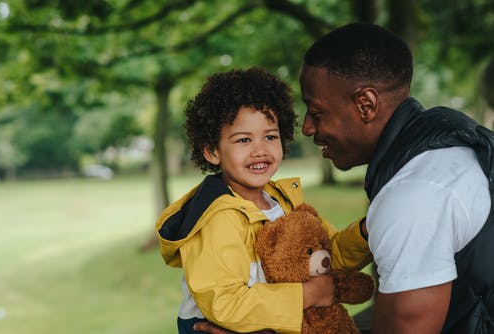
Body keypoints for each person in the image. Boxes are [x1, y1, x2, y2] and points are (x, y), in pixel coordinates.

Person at [299, 23, 494, 333]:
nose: (307, 128)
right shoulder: (449, 142)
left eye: (316, 111)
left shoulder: (412, 196)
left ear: (366, 105)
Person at [156, 67, 372, 334]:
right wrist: (306, 295)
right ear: (212, 151)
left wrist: (365, 232)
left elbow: (325, 256)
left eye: (270, 136)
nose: (260, 150)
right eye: (244, 139)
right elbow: (225, 303)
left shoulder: (283, 201)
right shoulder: (217, 218)